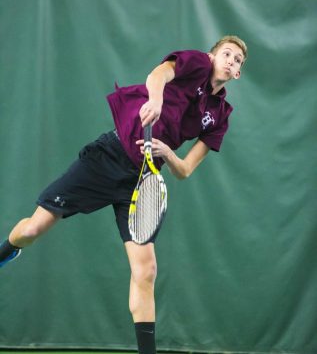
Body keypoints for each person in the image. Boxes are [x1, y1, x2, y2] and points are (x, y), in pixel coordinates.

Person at [0, 35, 247, 354]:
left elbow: (185, 170)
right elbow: (159, 74)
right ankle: (7, 249)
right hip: (109, 156)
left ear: (238, 73)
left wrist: (168, 154)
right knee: (33, 229)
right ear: (212, 57)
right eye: (226, 53)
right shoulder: (196, 63)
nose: (231, 60)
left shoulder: (220, 114)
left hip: (144, 179)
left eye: (237, 60)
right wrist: (155, 99)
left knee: (147, 270)